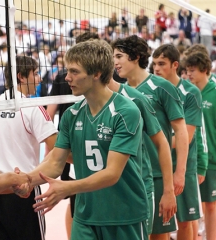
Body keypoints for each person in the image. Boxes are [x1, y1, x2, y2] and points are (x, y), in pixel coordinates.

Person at [17, 40, 149, 240]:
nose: (67, 78)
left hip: (123, 214)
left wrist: (68, 187)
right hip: (85, 215)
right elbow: (55, 162)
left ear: (96, 73)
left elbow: (112, 173)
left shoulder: (125, 111)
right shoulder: (72, 114)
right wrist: (25, 180)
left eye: (74, 72)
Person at [111, 35, 188, 240]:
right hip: (128, 175)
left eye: (119, 56)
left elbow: (180, 131)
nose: (114, 62)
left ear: (135, 57)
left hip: (157, 175)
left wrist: (179, 173)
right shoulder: (116, 92)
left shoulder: (161, 87)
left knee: (158, 235)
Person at [0, 56, 58, 240]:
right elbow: (59, 151)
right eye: (35, 74)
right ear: (21, 76)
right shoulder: (32, 107)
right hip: (24, 190)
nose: (39, 79)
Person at [152, 44, 203, 240]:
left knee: (184, 221)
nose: (156, 68)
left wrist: (153, 143)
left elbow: (186, 136)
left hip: (183, 166)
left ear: (174, 65)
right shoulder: (151, 89)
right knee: (161, 224)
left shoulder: (190, 93)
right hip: (157, 167)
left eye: (162, 63)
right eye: (154, 63)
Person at [184, 51, 216, 240]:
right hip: (189, 159)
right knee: (192, 206)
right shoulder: (186, 92)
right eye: (187, 71)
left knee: (210, 203)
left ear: (204, 70)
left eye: (192, 70)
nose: (189, 75)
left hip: (212, 158)